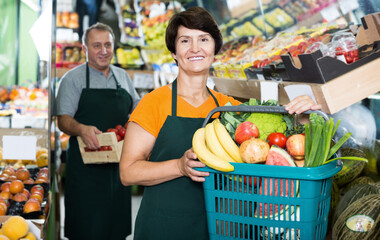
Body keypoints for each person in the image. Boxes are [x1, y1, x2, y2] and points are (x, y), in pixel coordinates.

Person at [119, 7, 321, 240]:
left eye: (203, 39)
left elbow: (279, 144)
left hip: (221, 227)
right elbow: (128, 172)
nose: (195, 48)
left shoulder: (230, 109)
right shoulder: (154, 103)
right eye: (185, 41)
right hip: (165, 226)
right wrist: (179, 167)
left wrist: (303, 112)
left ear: (214, 49)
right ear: (174, 52)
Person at [56, 22, 140, 240]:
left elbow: (137, 112)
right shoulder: (72, 79)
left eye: (108, 45)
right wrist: (81, 129)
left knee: (115, 228)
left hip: (118, 167)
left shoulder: (123, 77)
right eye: (96, 46)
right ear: (84, 49)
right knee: (86, 227)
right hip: (86, 171)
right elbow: (63, 120)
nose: (103, 51)